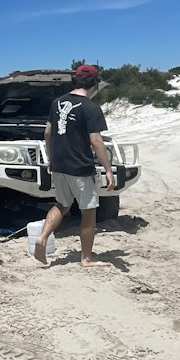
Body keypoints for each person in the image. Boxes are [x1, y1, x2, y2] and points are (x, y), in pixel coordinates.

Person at [33, 63, 115, 268]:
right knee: (89, 211)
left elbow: (47, 133)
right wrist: (107, 169)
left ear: (75, 80)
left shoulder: (57, 102)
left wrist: (52, 159)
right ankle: (86, 258)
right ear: (95, 84)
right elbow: (96, 141)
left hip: (59, 165)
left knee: (62, 204)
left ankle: (42, 237)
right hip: (80, 166)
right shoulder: (91, 108)